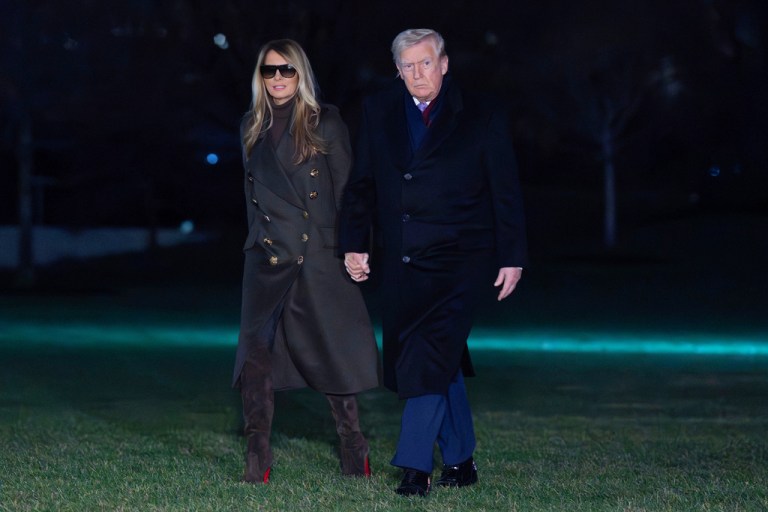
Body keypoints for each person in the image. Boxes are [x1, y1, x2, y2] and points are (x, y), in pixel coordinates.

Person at [339, 28, 528, 496]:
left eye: (426, 63)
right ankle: (461, 460)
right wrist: (354, 243)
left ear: (444, 64)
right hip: (403, 257)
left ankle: (415, 465)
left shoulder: (482, 114)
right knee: (430, 357)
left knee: (429, 353)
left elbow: (505, 190)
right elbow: (362, 184)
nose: (418, 74)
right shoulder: (379, 109)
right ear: (398, 70)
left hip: (461, 258)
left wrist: (512, 256)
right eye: (408, 65)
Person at [233, 38, 379, 484]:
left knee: (331, 360)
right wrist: (255, 242)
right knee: (255, 363)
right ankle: (257, 461)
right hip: (266, 261)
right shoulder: (250, 126)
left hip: (315, 257)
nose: (277, 79)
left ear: (301, 75)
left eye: (286, 70)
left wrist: (356, 248)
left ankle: (354, 450)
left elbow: (349, 193)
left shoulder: (325, 122)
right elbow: (251, 198)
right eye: (268, 71)